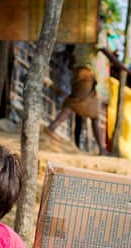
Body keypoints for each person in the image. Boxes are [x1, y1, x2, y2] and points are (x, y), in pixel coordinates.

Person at [49, 23, 116, 152]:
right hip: (86, 73)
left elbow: (72, 53)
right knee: (73, 103)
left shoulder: (81, 32)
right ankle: (52, 128)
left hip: (87, 74)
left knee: (95, 113)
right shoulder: (96, 31)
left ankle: (102, 149)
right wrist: (121, 66)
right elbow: (103, 49)